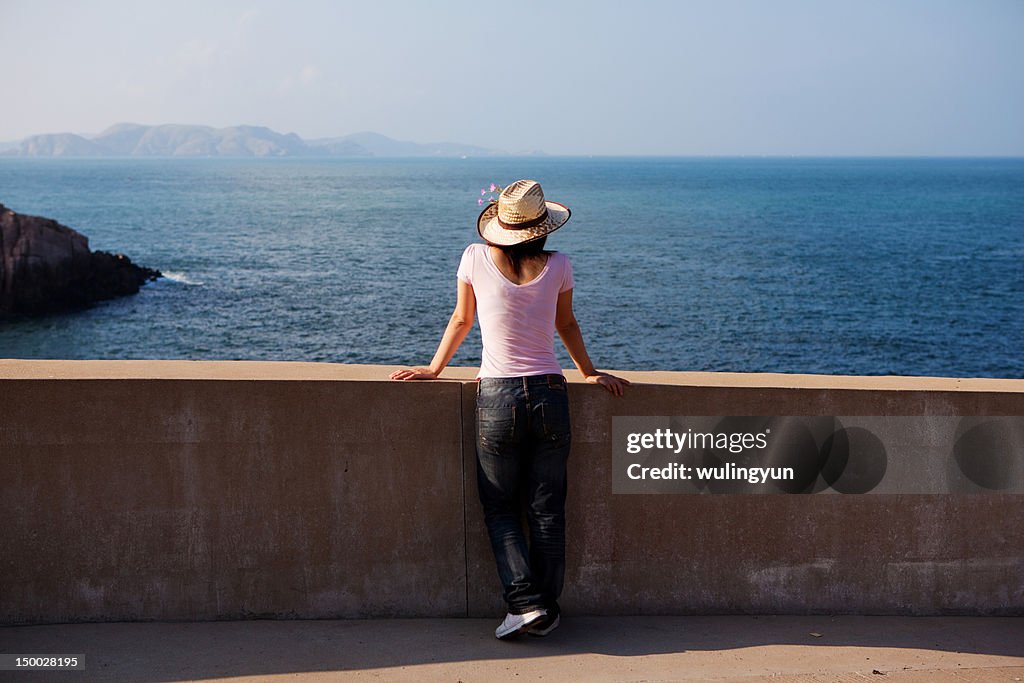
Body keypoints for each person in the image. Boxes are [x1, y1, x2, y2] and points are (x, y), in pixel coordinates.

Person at [390, 179, 629, 639]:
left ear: (498, 226)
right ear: (543, 228)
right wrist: (590, 372)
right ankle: (546, 610)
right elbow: (567, 324)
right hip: (550, 394)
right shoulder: (559, 265)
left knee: (501, 508)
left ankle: (525, 604)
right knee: (547, 510)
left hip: (497, 396)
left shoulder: (475, 257)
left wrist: (434, 370)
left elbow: (461, 319)